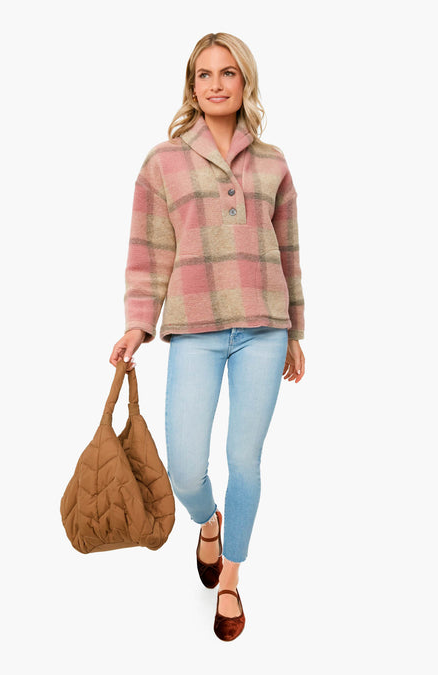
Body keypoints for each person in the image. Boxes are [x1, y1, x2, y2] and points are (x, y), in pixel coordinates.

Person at [109, 32, 306, 641]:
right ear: (191, 86)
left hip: (264, 327)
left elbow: (288, 251)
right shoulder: (162, 162)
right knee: (186, 468)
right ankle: (209, 521)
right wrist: (138, 322)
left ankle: (231, 580)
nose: (216, 84)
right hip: (194, 326)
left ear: (246, 81)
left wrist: (295, 330)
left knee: (245, 459)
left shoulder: (272, 162)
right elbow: (148, 251)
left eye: (228, 73)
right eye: (204, 74)